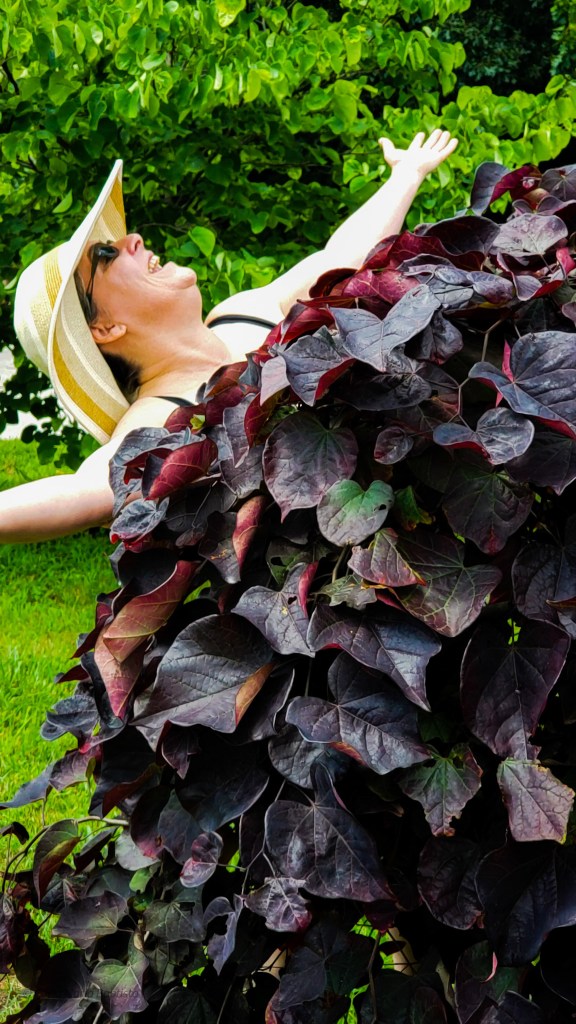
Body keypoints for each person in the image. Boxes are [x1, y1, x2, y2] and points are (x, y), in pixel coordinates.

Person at [3, 129, 458, 543]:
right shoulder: (159, 417)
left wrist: (406, 174)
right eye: (107, 255)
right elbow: (84, 491)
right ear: (104, 328)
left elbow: (337, 261)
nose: (133, 239)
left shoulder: (240, 313)